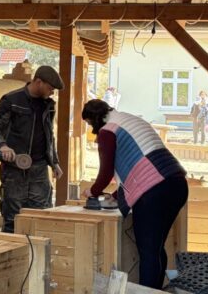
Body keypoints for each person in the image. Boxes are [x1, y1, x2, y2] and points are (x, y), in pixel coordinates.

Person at [81, 99, 188, 289]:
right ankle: (156, 291)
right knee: (156, 248)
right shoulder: (130, 120)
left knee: (148, 252)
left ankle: (147, 292)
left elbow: (106, 173)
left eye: (89, 124)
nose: (92, 130)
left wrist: (93, 191)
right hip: (176, 183)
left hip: (154, 192)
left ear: (93, 119)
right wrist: (115, 196)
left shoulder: (108, 132)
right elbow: (139, 166)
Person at [0, 65, 65, 233]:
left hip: (39, 169)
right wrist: (2, 146)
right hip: (14, 168)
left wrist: (54, 162)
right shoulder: (12, 100)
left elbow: (49, 135)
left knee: (42, 216)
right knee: (12, 218)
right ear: (39, 82)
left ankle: (37, 250)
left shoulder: (48, 105)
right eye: (50, 88)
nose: (52, 92)